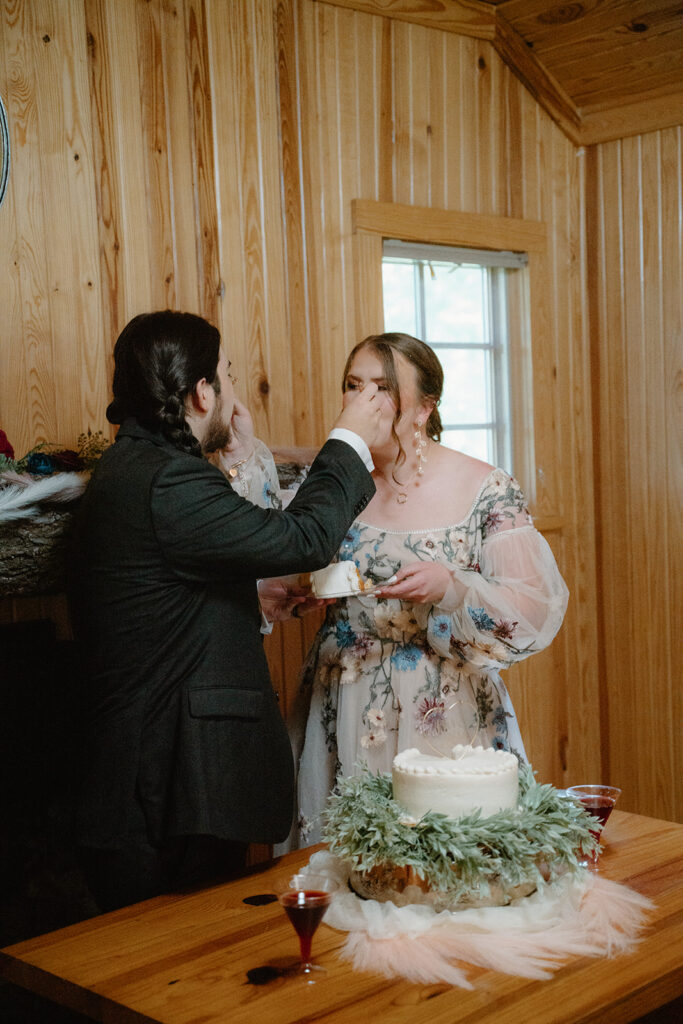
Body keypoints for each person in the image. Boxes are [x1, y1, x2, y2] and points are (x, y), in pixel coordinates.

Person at [69, 310, 382, 911]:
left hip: (156, 779)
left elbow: (157, 597)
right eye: (227, 375)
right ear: (202, 391)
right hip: (167, 786)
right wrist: (347, 439)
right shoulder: (171, 481)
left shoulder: (135, 468)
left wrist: (247, 593)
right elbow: (305, 538)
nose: (231, 392)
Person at [291, 332, 569, 847]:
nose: (362, 402)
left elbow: (533, 607)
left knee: (445, 861)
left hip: (445, 706)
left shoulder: (484, 487)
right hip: (344, 696)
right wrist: (307, 591)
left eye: (383, 388)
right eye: (353, 387)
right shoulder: (332, 479)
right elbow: (285, 554)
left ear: (423, 408)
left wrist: (452, 586)